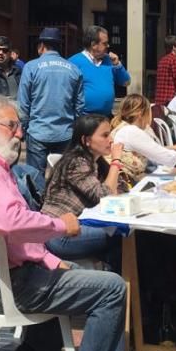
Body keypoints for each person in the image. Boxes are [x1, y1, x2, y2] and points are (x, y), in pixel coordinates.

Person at [0, 96, 131, 351]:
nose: (19, 134)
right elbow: (10, 223)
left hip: (13, 272)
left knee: (65, 270)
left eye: (20, 126)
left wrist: (48, 258)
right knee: (112, 288)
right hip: (1, 283)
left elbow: (16, 235)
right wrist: (60, 226)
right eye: (11, 126)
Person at [40, 114, 126, 268]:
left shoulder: (95, 162)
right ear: (86, 140)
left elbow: (119, 188)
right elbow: (105, 197)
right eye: (105, 135)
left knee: (130, 235)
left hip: (79, 225)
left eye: (110, 134)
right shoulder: (76, 162)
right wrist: (116, 161)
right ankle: (120, 284)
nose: (111, 140)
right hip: (60, 234)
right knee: (122, 235)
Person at [18, 27, 85, 176]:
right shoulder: (73, 69)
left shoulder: (31, 67)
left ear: (41, 46)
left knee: (35, 177)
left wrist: (24, 127)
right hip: (65, 133)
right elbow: (79, 105)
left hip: (38, 131)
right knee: (63, 176)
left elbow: (23, 103)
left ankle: (38, 199)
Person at [109, 94, 176, 184]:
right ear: (140, 114)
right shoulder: (131, 131)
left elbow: (151, 149)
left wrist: (174, 148)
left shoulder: (123, 127)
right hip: (126, 182)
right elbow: (163, 156)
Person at [69, 25, 131, 117]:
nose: (108, 46)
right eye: (105, 43)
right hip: (85, 118)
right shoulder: (74, 62)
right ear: (93, 45)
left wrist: (117, 64)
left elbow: (126, 82)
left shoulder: (109, 61)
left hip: (106, 117)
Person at [154, 35, 176, 105]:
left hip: (159, 99)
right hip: (170, 99)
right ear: (174, 47)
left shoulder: (162, 60)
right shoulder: (175, 60)